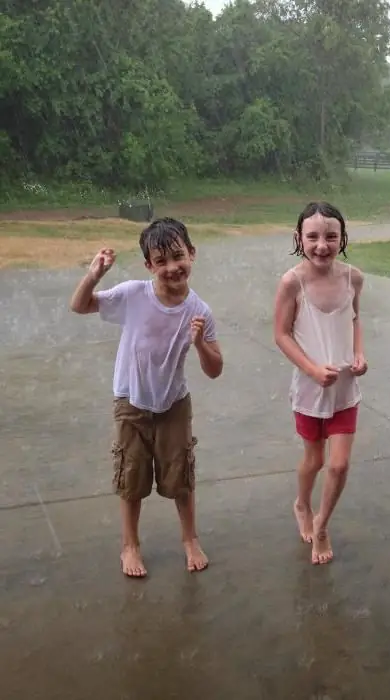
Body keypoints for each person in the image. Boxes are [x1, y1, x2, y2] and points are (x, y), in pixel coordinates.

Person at [70, 217, 223, 577]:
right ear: (148, 266)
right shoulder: (133, 294)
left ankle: (189, 539)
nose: (172, 267)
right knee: (131, 477)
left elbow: (215, 369)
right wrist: (93, 275)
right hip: (131, 402)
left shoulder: (200, 311)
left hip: (173, 404)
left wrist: (199, 343)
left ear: (192, 253)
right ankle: (130, 545)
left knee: (181, 477)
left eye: (178, 256)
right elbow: (80, 305)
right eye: (161, 261)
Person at [274, 202, 368, 565]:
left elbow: (356, 318)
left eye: (331, 236)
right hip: (310, 389)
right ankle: (302, 502)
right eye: (312, 236)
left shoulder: (353, 278)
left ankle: (323, 524)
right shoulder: (291, 282)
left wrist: (359, 354)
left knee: (340, 465)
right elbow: (281, 335)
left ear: (343, 238)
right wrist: (312, 370)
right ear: (299, 238)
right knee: (313, 460)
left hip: (345, 390)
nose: (322, 244)